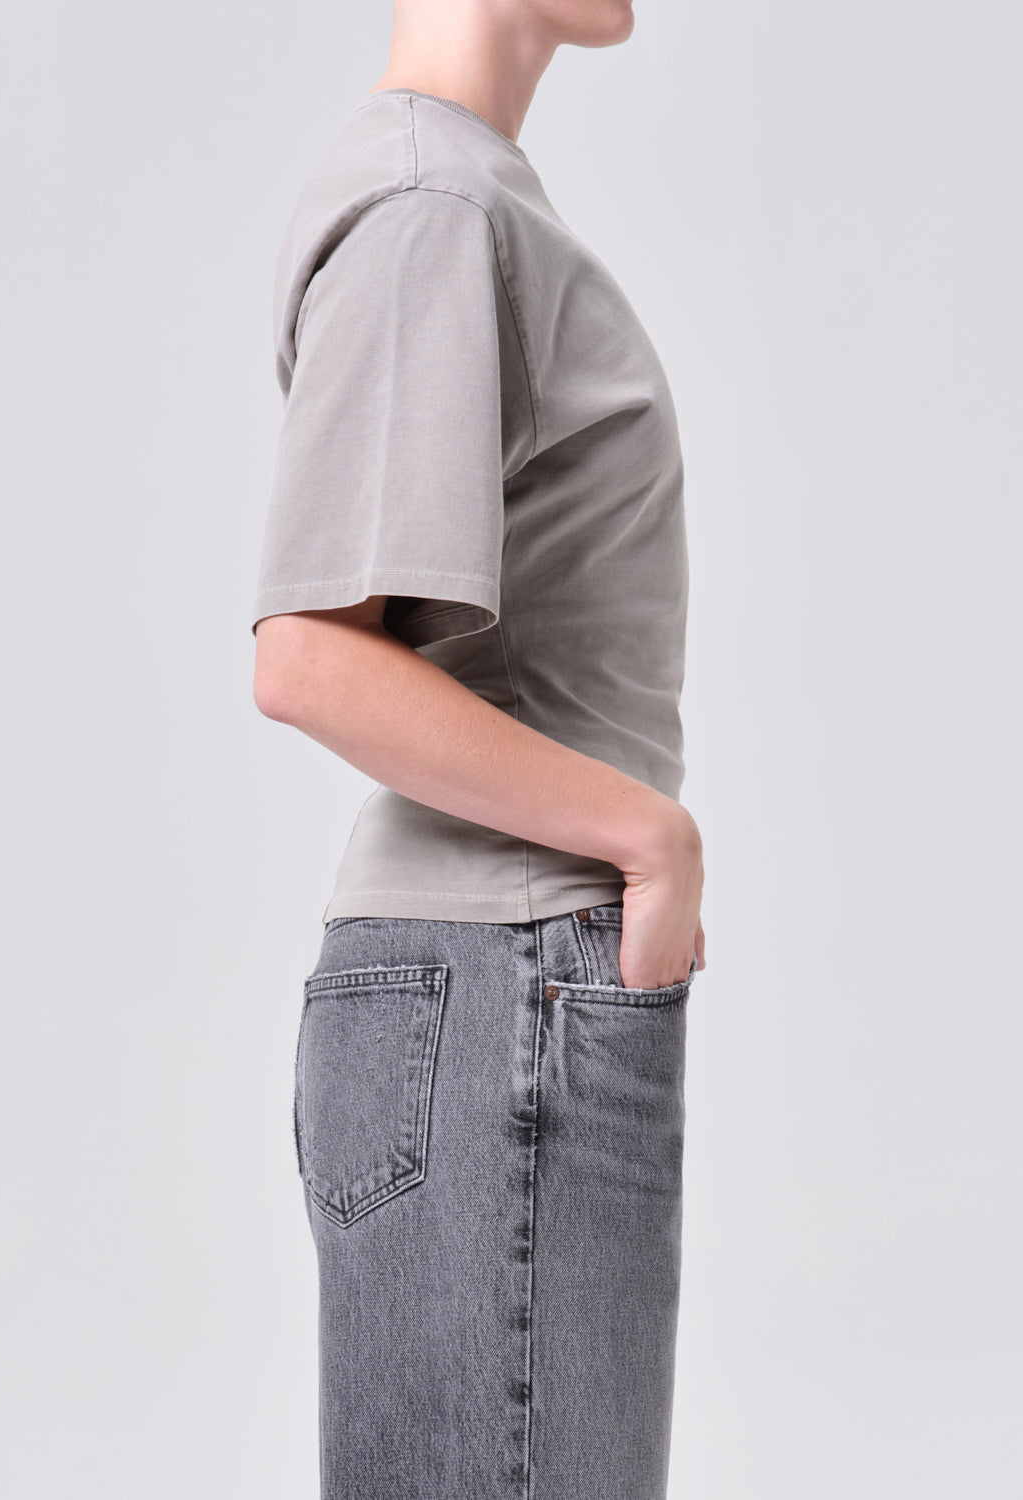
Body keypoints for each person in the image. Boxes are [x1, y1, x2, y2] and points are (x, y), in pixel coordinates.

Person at [250, 1, 706, 1495]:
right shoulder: (433, 202)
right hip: (503, 979)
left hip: (493, 977)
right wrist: (649, 837)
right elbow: (310, 658)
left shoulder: (462, 189)